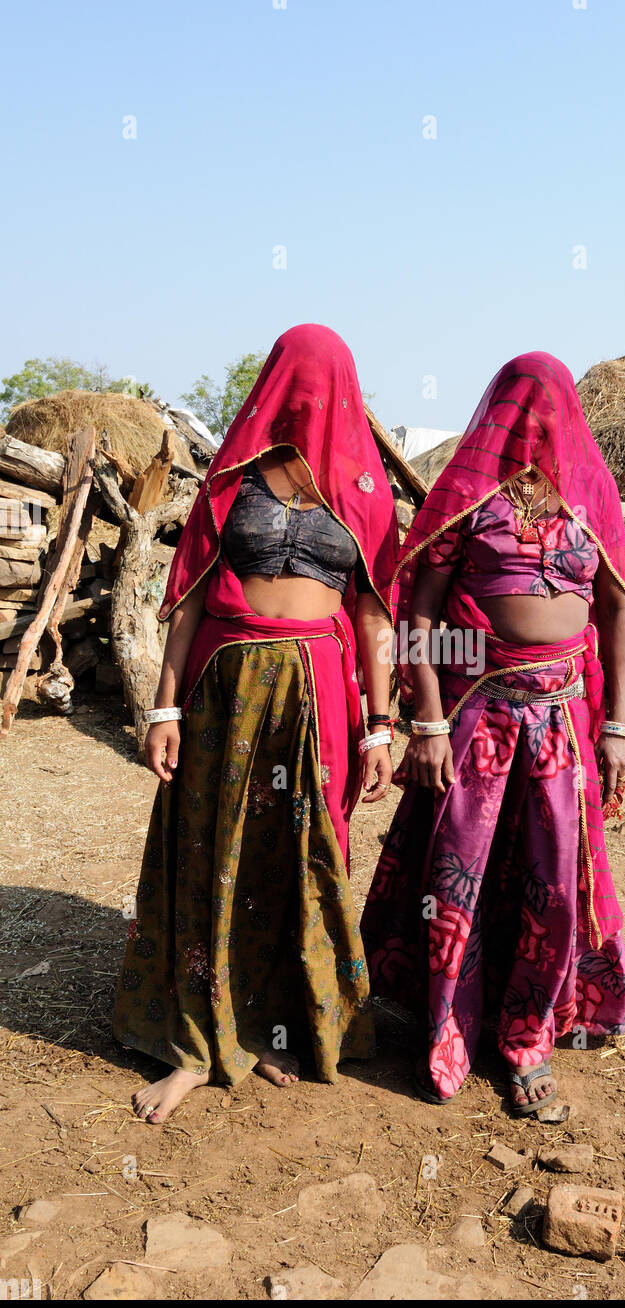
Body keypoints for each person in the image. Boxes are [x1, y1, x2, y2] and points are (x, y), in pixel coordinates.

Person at [113, 324, 398, 1124]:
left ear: (346, 389)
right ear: (275, 382)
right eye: (294, 376)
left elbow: (375, 618)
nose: (309, 394)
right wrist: (164, 707)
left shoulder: (366, 491)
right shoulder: (230, 484)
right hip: (225, 688)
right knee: (212, 850)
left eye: (324, 378)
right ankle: (199, 1045)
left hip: (318, 697)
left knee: (299, 853)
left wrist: (380, 725)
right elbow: (189, 600)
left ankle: (277, 1024)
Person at [360, 352, 625, 1115]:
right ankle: (446, 1026)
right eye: (520, 404)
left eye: (547, 406)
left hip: (564, 721)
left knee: (552, 880)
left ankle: (527, 1037)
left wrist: (619, 724)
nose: (533, 419)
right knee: (458, 875)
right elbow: (417, 615)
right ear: (497, 410)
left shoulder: (590, 497)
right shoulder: (466, 498)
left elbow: (617, 610)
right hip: (476, 713)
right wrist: (424, 723)